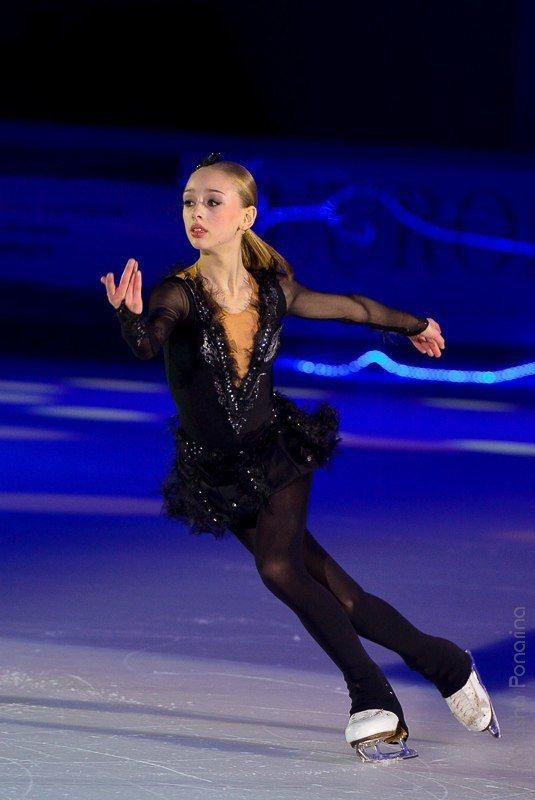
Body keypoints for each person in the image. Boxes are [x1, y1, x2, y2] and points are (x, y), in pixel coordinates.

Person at [101, 154, 500, 762]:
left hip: (276, 455)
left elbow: (353, 308)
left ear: (246, 216)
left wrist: (415, 323)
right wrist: (131, 322)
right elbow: (148, 338)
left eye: (212, 201)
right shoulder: (175, 293)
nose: (197, 212)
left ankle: (373, 697)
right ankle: (445, 662)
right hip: (217, 473)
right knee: (341, 596)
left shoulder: (272, 290)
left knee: (280, 570)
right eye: (188, 201)